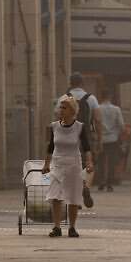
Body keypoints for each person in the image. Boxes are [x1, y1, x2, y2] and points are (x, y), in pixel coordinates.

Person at [42, 95, 94, 238]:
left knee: (73, 197)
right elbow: (50, 147)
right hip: (57, 164)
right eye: (60, 107)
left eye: (64, 108)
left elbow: (86, 147)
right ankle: (57, 227)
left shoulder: (79, 127)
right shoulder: (54, 126)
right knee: (55, 196)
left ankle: (72, 227)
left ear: (72, 111)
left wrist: (89, 162)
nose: (61, 110)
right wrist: (46, 164)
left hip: (73, 164)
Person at [64, 73, 102, 208]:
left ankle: (74, 197)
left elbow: (57, 117)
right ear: (82, 83)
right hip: (86, 135)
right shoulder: (91, 99)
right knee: (89, 164)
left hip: (67, 136)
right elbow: (97, 119)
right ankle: (85, 186)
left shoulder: (63, 98)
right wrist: (99, 138)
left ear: (70, 83)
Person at [96, 90, 124, 192]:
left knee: (101, 161)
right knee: (112, 161)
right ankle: (109, 183)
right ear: (110, 97)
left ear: (101, 97)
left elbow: (95, 123)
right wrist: (119, 133)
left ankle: (101, 181)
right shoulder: (116, 109)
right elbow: (121, 124)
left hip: (101, 139)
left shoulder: (98, 108)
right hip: (113, 138)